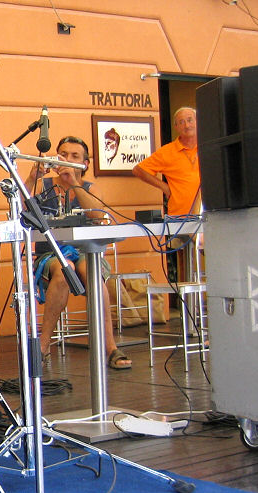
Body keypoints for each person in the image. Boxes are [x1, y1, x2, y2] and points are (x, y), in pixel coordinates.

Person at [28, 135, 131, 370]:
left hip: (87, 252)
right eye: (64, 154)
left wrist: (73, 182)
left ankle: (110, 347)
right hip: (51, 255)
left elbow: (98, 216)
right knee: (65, 269)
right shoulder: (43, 185)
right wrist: (32, 178)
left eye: (75, 156)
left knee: (90, 271)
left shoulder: (90, 188)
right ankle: (43, 345)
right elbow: (21, 210)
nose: (68, 159)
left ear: (85, 164)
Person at [131, 107, 201, 216]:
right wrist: (164, 187)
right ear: (176, 127)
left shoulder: (209, 146)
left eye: (190, 120)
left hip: (212, 215)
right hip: (180, 217)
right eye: (181, 122)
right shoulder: (167, 152)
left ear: (198, 121)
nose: (187, 125)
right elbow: (138, 170)